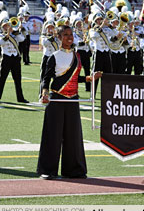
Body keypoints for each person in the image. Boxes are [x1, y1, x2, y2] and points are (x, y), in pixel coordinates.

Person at [37, 25, 102, 180]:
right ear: (59, 37)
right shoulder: (54, 56)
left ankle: (74, 170)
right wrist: (44, 94)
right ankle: (48, 170)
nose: (69, 37)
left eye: (71, 34)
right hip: (57, 99)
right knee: (53, 135)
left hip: (73, 99)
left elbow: (75, 78)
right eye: (65, 35)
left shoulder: (77, 56)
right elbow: (46, 79)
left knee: (73, 136)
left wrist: (89, 78)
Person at [0, 11, 28, 103]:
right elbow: (1, 42)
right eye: (4, 26)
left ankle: (20, 98)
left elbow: (22, 39)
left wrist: (15, 31)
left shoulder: (15, 34)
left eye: (8, 25)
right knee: (2, 79)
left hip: (16, 58)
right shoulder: (1, 35)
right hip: (6, 58)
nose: (6, 27)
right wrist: (7, 34)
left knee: (18, 79)